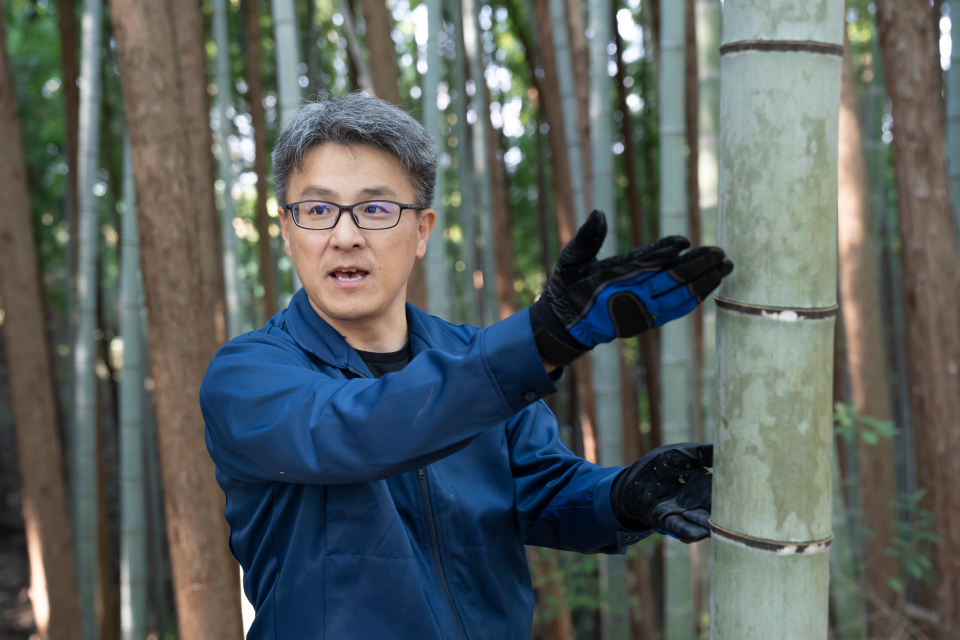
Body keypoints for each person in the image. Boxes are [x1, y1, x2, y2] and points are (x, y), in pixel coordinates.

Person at [201, 93, 733, 639]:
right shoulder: (247, 376)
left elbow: (541, 490)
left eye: (375, 209)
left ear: (423, 230)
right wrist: (540, 339)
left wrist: (621, 496)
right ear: (287, 231)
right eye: (317, 210)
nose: (345, 236)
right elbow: (356, 428)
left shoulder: (474, 357)